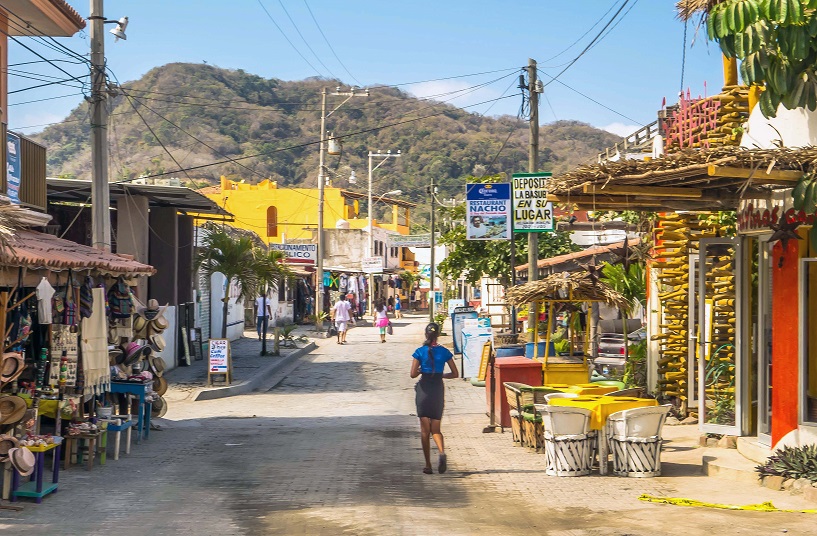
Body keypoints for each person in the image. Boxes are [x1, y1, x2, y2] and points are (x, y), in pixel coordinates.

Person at [410, 323, 459, 474]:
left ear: (426, 334)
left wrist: (420, 370)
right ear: (438, 335)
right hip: (438, 390)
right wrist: (441, 375)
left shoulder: (419, 352)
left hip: (424, 390)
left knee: (425, 431)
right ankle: (442, 452)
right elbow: (455, 373)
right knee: (436, 429)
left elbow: (412, 374)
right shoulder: (444, 352)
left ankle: (428, 465)